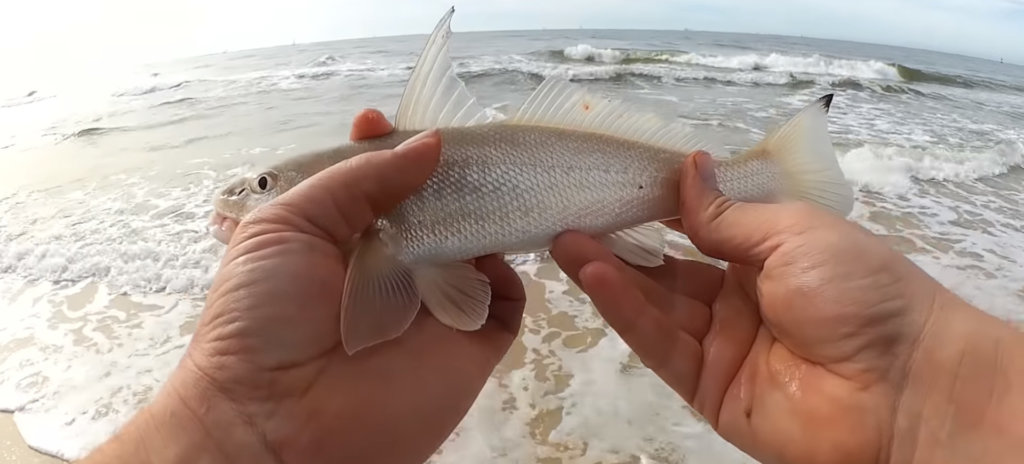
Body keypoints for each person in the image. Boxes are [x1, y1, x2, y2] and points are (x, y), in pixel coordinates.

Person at [79, 109, 1023, 464]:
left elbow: (408, 294)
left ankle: (771, 168)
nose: (242, 204)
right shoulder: (372, 240)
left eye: (262, 189)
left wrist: (227, 432)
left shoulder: (384, 214)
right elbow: (426, 292)